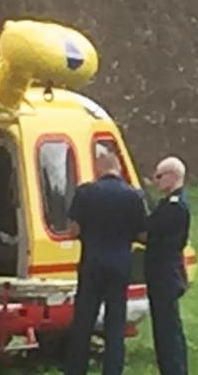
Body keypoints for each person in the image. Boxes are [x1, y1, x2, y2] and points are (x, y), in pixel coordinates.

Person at [63, 152, 147, 375]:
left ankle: (75, 369)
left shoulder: (85, 193)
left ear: (99, 168)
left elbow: (74, 230)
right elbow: (142, 233)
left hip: (92, 261)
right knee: (115, 320)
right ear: (118, 168)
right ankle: (112, 369)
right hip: (120, 263)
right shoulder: (134, 196)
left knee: (83, 320)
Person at [143, 156, 191, 375]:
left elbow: (151, 230)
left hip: (164, 272)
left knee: (167, 328)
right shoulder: (171, 203)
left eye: (159, 176)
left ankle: (174, 370)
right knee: (164, 326)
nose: (156, 181)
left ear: (173, 176)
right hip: (164, 271)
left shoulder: (174, 207)